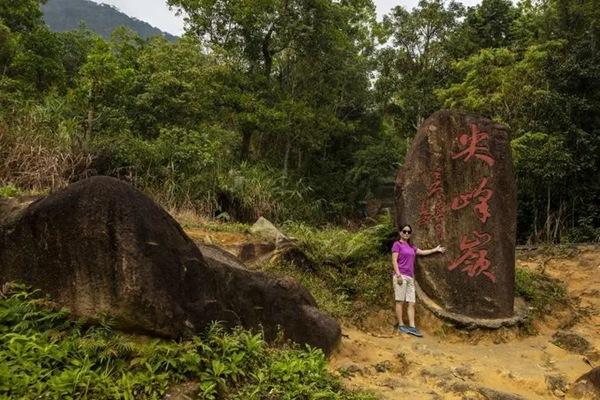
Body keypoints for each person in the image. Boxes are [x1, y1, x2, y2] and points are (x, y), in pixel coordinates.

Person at [391, 224, 445, 337]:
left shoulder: (411, 247)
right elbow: (394, 260)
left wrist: (436, 249)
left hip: (410, 277)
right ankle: (401, 325)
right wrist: (398, 275)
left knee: (412, 302)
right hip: (401, 276)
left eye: (408, 232)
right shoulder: (397, 245)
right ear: (400, 232)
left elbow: (422, 252)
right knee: (400, 301)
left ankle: (412, 326)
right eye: (404, 231)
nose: (406, 233)